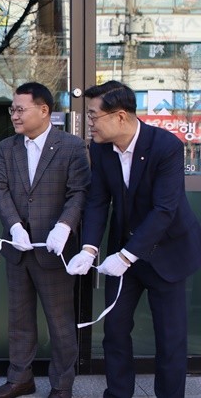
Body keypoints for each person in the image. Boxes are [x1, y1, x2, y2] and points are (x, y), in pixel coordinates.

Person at [67, 80, 201, 398]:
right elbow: (98, 201)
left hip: (167, 251)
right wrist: (89, 248)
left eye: (94, 115)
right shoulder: (100, 148)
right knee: (114, 329)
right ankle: (118, 393)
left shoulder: (165, 146)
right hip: (123, 252)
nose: (89, 122)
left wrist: (126, 255)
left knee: (170, 337)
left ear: (120, 116)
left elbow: (164, 210)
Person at [0, 82, 90, 398]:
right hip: (18, 249)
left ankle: (62, 384)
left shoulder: (72, 146)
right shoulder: (8, 147)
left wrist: (64, 226)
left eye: (20, 109)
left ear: (44, 110)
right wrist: (14, 227)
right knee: (19, 319)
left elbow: (79, 192)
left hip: (54, 250)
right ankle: (20, 378)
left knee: (60, 322)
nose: (14, 116)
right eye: (13, 110)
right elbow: (0, 188)